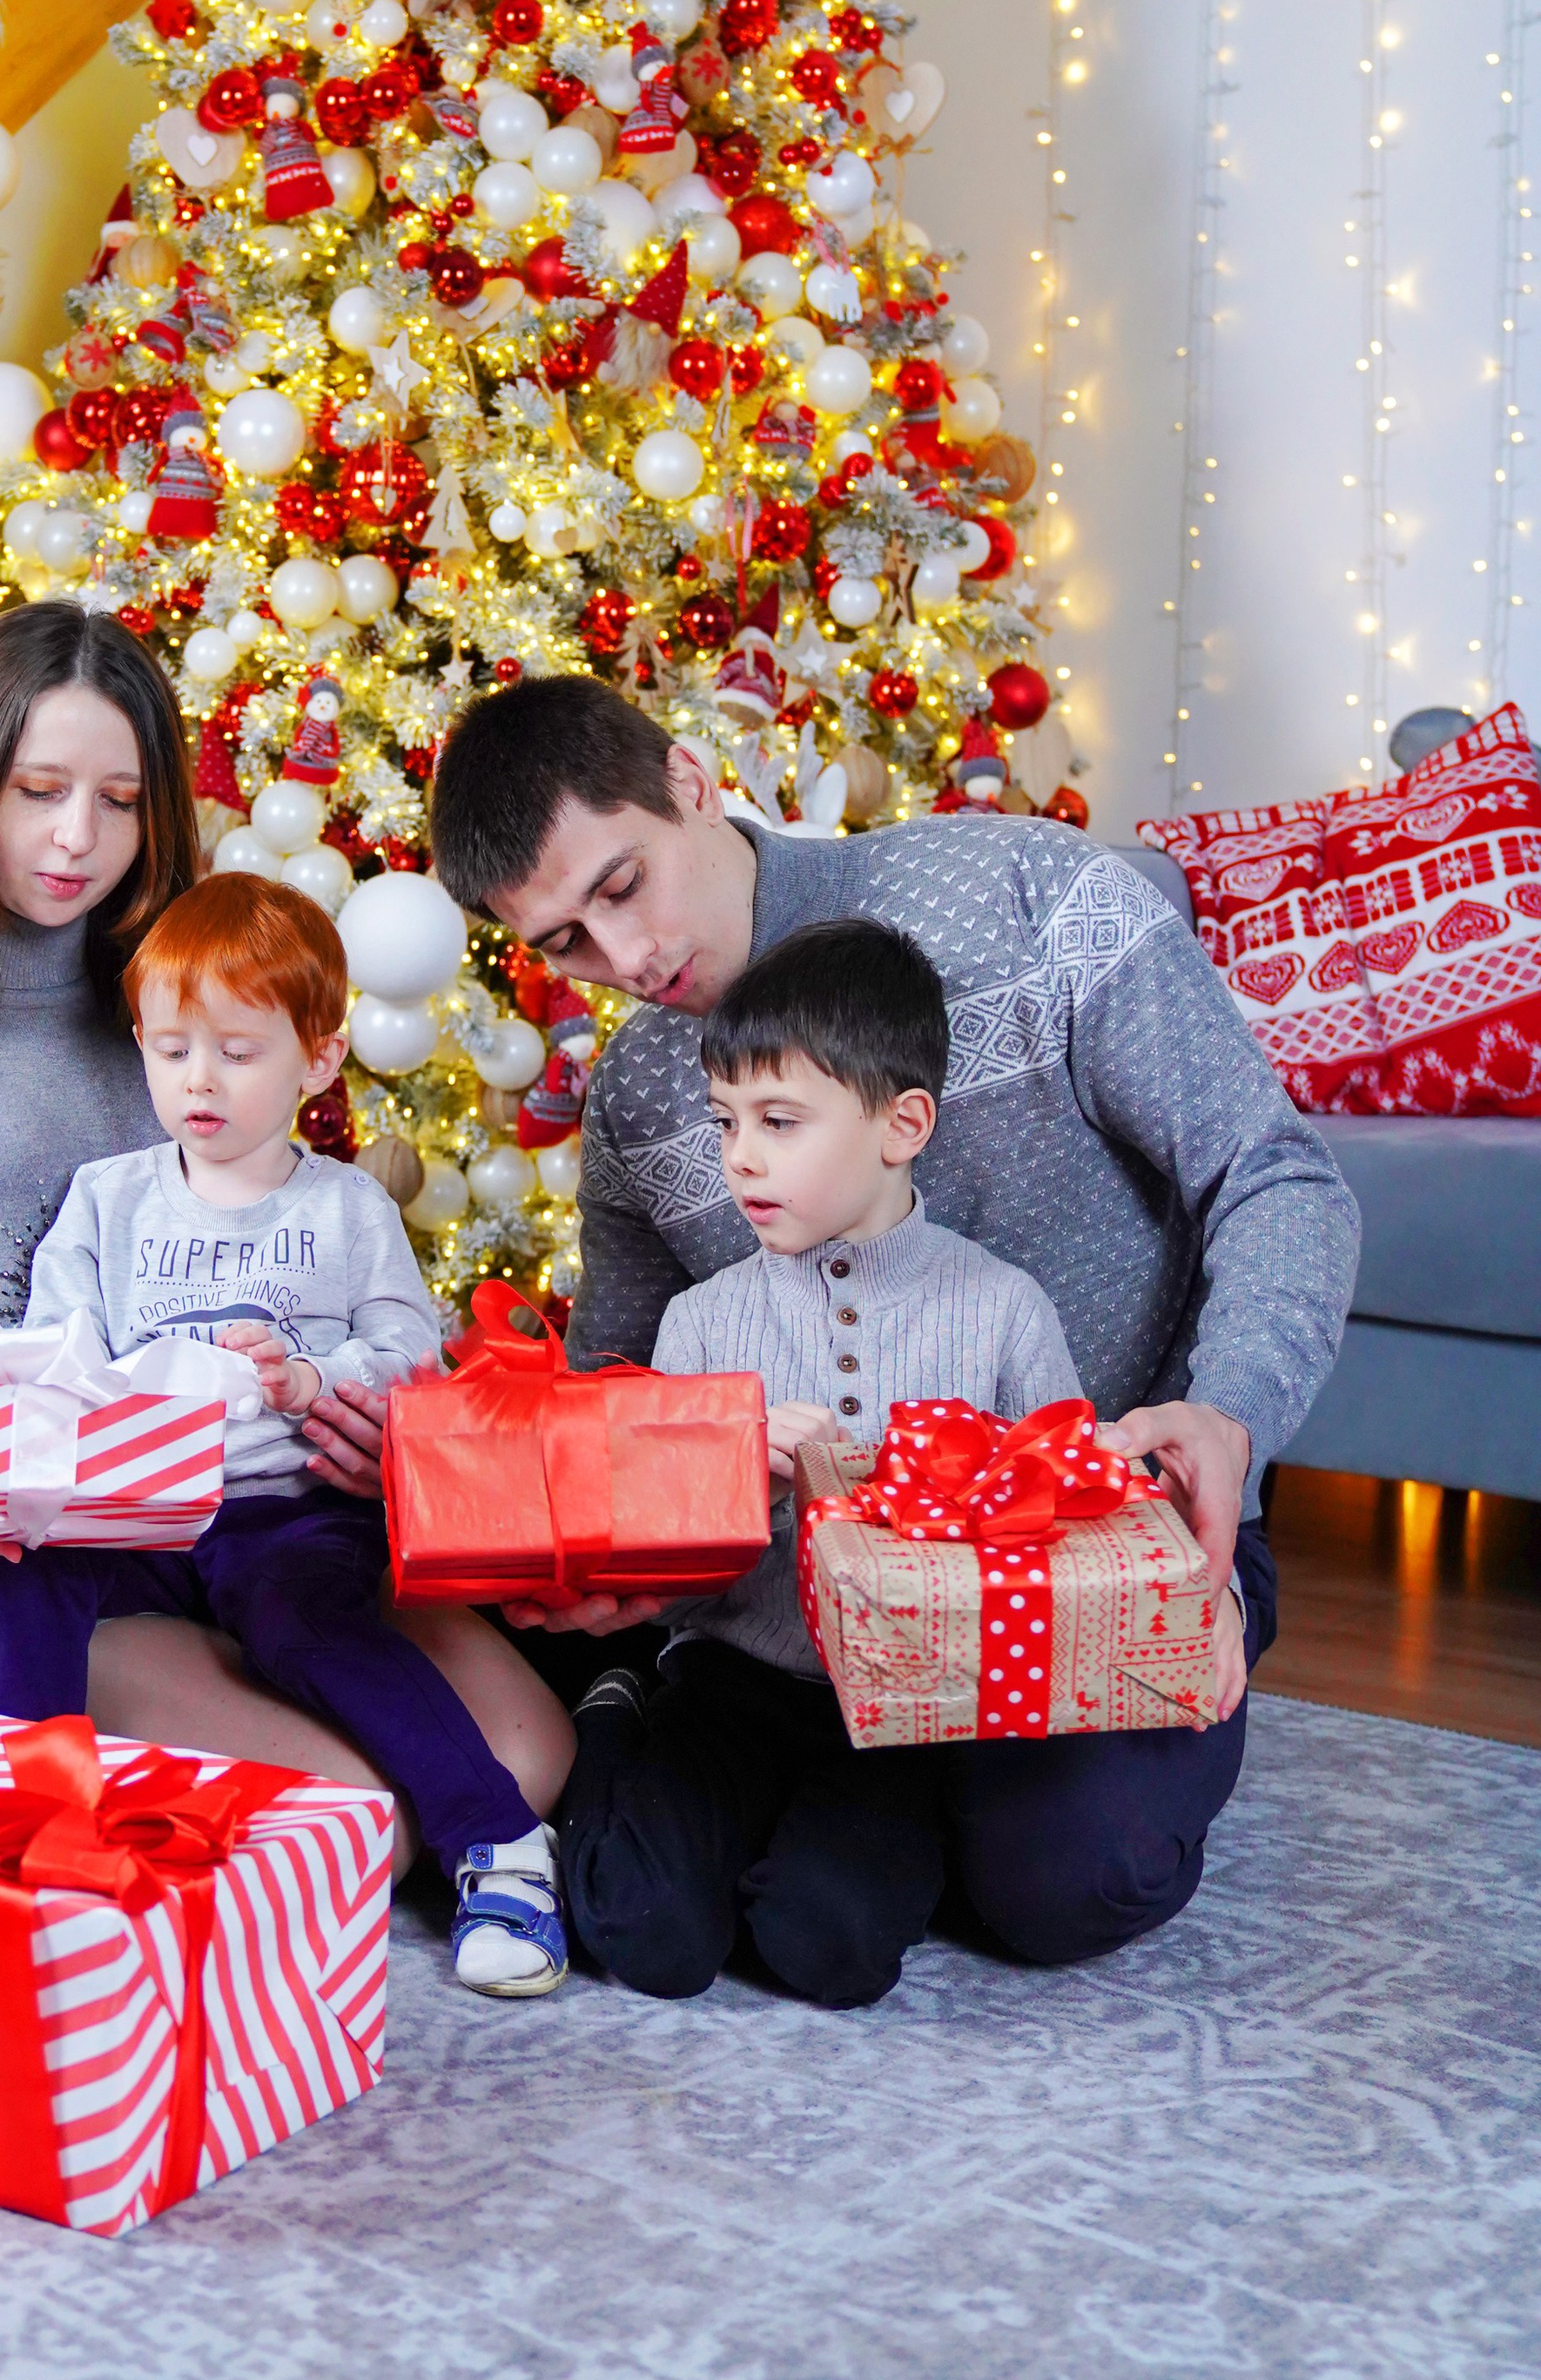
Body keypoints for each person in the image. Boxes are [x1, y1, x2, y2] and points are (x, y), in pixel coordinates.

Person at [430, 673, 1362, 1970]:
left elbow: (1275, 1174)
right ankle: (786, 1795)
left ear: (693, 783)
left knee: (1070, 1885)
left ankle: (880, 1818)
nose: (625, 959)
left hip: (1105, 1557)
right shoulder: (644, 1098)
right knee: (725, 1868)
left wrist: (1234, 1410)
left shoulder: (1031, 899)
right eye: (568, 945)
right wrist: (611, 1559)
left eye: (623, 885)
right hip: (806, 1609)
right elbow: (624, 1398)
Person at [0, 602, 569, 1850]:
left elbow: (305, 1261)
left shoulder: (189, 997)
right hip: (13, 1561)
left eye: (121, 801)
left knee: (529, 1757)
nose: (77, 838)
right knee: (360, 1820)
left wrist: (345, 1417)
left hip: (256, 1522)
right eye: (37, 789)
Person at [0, 871, 568, 1996]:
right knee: (27, 1562)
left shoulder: (344, 1210)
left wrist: (308, 1378)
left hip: (284, 1515)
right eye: (171, 1051)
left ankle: (497, 1844)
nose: (199, 1082)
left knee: (308, 1620)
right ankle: (31, 1820)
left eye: (239, 1053)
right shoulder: (109, 1200)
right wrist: (91, 1406)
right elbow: (56, 1351)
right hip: (140, 1509)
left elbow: (411, 1354)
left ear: (319, 1059)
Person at [558, 917, 1093, 2004]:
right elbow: (663, 1572)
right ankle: (607, 1717)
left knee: (829, 1950)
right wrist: (733, 1479)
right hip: (725, 1680)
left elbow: (1058, 1546)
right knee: (646, 1937)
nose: (741, 1157)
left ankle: (842, 1858)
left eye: (781, 1121)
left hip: (904, 1718)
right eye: (726, 1123)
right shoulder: (703, 1323)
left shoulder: (1001, 1312)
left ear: (901, 1126)